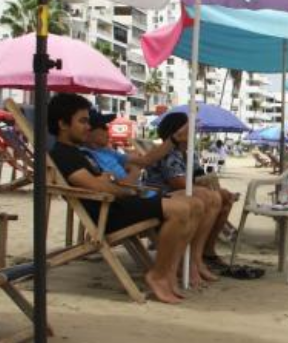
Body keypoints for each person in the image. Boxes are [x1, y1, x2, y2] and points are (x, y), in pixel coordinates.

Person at [47, 93, 200, 304]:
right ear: (63, 124)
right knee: (180, 210)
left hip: (118, 205)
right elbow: (99, 187)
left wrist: (110, 182)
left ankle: (169, 273)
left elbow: (109, 180)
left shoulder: (77, 153)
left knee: (192, 205)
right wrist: (116, 186)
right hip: (108, 214)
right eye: (82, 121)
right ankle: (158, 275)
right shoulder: (64, 154)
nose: (88, 127)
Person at [146, 112, 237, 271]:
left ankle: (207, 251)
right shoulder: (167, 153)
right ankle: (197, 256)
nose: (193, 131)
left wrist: (215, 187)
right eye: (190, 128)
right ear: (178, 131)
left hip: (182, 194)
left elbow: (199, 175)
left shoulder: (188, 153)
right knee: (213, 197)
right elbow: (178, 183)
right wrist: (207, 187)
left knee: (224, 199)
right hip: (165, 198)